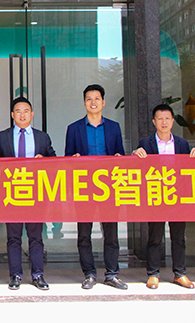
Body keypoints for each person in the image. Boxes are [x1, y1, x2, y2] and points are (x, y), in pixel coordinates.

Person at [132, 104, 195, 290]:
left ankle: (180, 273)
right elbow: (134, 165)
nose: (164, 122)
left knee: (178, 237)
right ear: (154, 122)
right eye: (160, 119)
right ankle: (153, 274)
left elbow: (191, 167)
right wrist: (134, 153)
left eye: (167, 118)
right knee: (155, 236)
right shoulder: (145, 143)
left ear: (172, 121)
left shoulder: (181, 144)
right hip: (155, 195)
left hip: (176, 197)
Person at [65, 84, 127, 290]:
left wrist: (118, 157)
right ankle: (89, 274)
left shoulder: (113, 127)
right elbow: (67, 158)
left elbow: (120, 154)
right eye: (89, 99)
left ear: (103, 102)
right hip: (84, 187)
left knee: (111, 233)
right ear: (84, 103)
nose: (93, 102)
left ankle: (112, 273)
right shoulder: (74, 128)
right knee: (84, 233)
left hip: (109, 187)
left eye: (97, 98)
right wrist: (73, 159)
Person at [0, 97, 55, 291]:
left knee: (35, 236)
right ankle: (15, 275)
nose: (22, 115)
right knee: (13, 237)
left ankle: (38, 275)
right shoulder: (2, 137)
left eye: (26, 111)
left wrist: (44, 160)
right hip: (11, 194)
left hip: (35, 193)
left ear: (32, 114)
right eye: (18, 111)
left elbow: (54, 161)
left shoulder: (42, 137)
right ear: (12, 115)